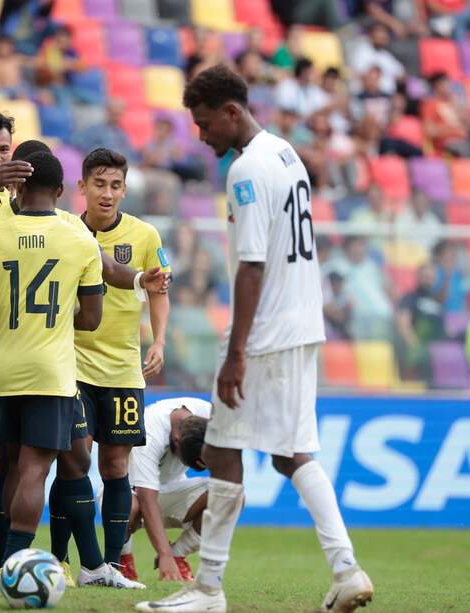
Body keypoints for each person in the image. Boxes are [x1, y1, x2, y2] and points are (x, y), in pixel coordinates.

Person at [138, 64, 373, 613]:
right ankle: (346, 569)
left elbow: (250, 267)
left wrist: (236, 351)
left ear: (231, 112)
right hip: (302, 325)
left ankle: (209, 589)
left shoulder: (244, 172)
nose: (200, 135)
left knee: (221, 449)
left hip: (264, 332)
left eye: (203, 124)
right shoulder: (287, 154)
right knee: (292, 455)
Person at [0, 151, 104, 569]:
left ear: (17, 187)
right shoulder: (80, 239)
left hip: (1, 371)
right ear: (62, 192)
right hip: (51, 371)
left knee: (11, 466)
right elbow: (92, 320)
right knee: (34, 470)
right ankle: (13, 566)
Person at [58, 148, 171, 580]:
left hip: (124, 368)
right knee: (74, 461)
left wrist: (158, 340)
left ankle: (110, 562)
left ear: (124, 189)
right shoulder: (65, 230)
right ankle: (63, 559)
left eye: (115, 185)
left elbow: (159, 290)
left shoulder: (145, 236)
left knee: (116, 466)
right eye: (99, 185)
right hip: (73, 364)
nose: (107, 194)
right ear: (82, 187)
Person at [121, 397, 210, 583]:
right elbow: (147, 499)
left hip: (171, 492)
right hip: (131, 492)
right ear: (176, 442)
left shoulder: (208, 415)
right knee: (126, 505)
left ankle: (178, 556)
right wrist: (164, 554)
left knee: (229, 495)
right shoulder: (151, 432)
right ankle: (123, 561)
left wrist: (170, 555)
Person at [396, 263, 445, 380]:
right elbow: (403, 324)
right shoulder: (410, 297)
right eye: (425, 276)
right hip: (418, 349)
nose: (428, 280)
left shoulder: (436, 301)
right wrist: (415, 346)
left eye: (431, 277)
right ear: (418, 277)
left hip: (436, 350)